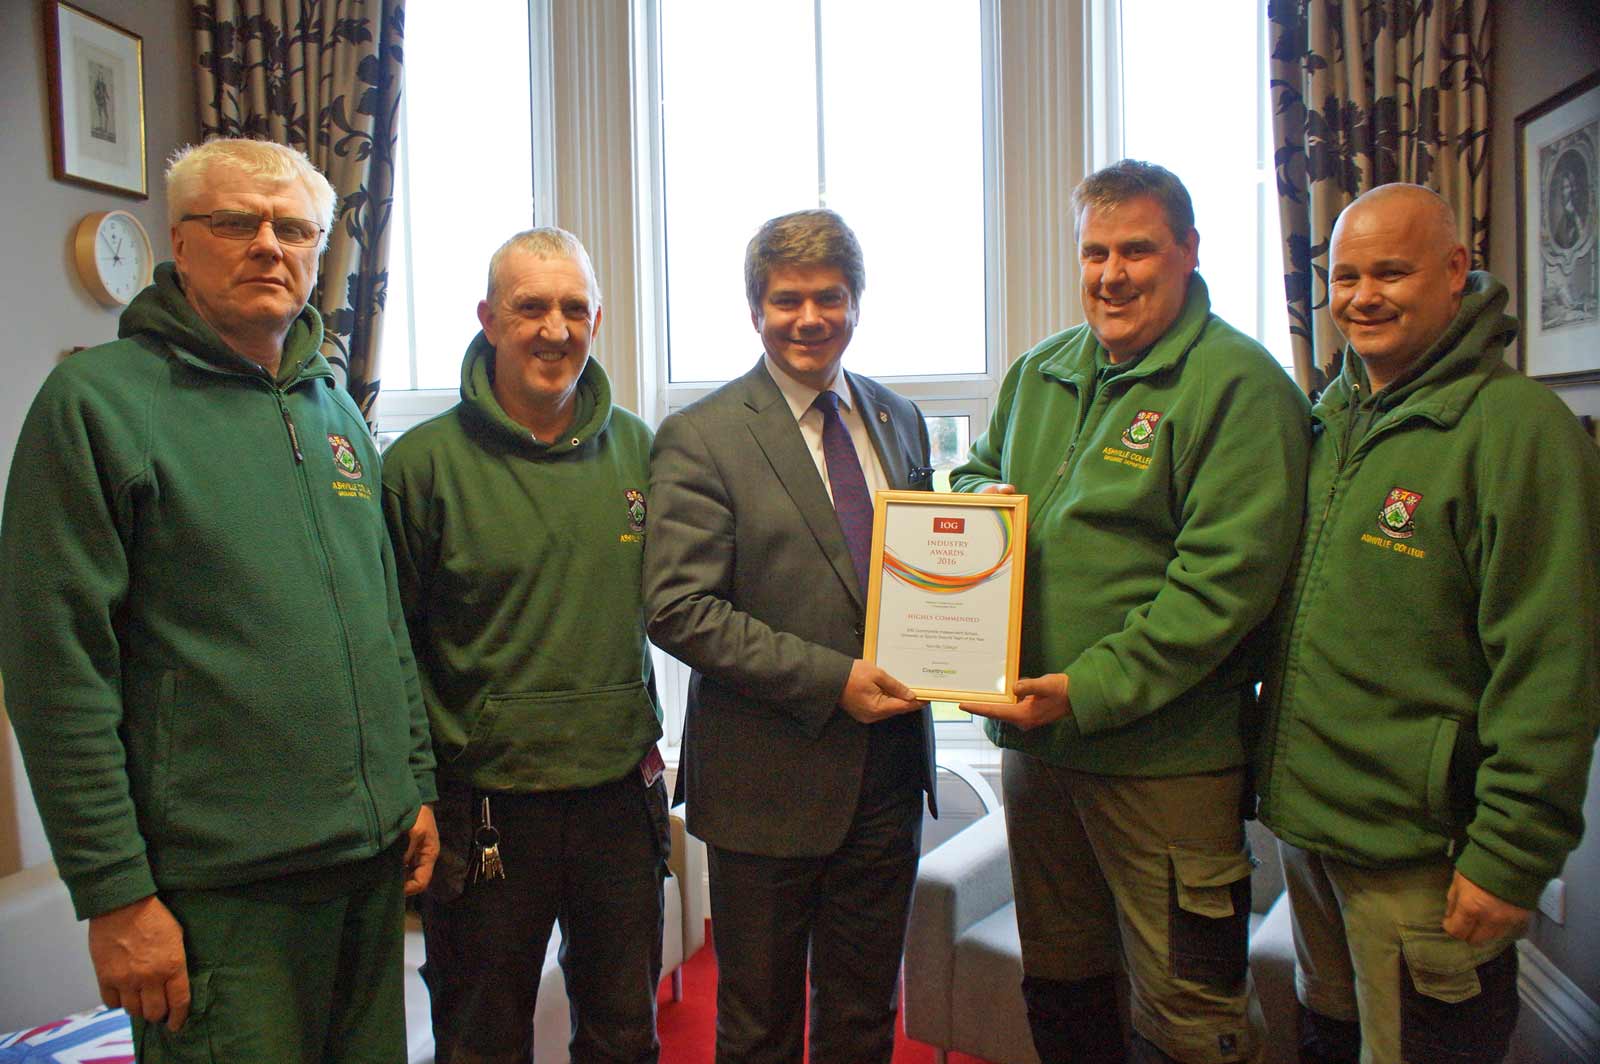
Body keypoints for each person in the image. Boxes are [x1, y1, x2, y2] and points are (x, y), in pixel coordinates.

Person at [0, 137, 438, 1063]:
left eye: (292, 228)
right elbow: (53, 669)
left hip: (365, 879)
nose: (268, 247)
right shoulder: (97, 406)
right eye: (236, 223)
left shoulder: (334, 407)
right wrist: (115, 893)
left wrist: (413, 784)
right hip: (217, 902)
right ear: (181, 240)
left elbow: (382, 618)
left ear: (321, 250)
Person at [950, 159, 1311, 1064]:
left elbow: (1221, 589)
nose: (1112, 274)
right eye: (1095, 251)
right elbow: (970, 476)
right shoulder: (1042, 372)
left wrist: (1087, 689)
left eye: (1138, 250)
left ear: (1188, 251)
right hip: (1042, 755)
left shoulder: (1239, 385)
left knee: (1192, 1016)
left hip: (1166, 769)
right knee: (1062, 984)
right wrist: (977, 496)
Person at [1255, 183, 1600, 1064]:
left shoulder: (1519, 431)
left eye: (1392, 272)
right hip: (1316, 831)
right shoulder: (1331, 417)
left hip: (1424, 855)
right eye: (1345, 276)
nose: (1362, 296)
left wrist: (1510, 855)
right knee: (1329, 1041)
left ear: (1455, 273)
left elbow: (1553, 663)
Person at [644, 208, 936, 1063]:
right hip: (765, 787)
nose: (810, 319)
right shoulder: (701, 437)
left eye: (830, 298)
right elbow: (678, 608)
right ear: (755, 311)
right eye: (787, 301)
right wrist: (831, 679)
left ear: (857, 302)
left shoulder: (898, 418)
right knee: (759, 1029)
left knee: (863, 1018)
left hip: (886, 778)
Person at [382, 227, 667, 1063]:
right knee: (480, 1042)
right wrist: (415, 793)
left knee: (624, 1038)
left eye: (574, 308)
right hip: (485, 812)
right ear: (487, 318)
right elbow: (390, 646)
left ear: (598, 319)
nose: (555, 329)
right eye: (530, 307)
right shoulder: (420, 466)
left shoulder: (643, 452)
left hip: (620, 798)